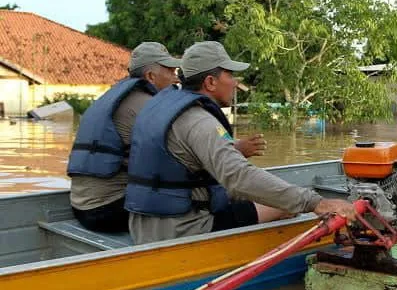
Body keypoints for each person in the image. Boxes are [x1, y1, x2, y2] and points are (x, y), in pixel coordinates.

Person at [124, 41, 355, 244]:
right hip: (181, 229)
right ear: (210, 82)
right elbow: (238, 177)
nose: (235, 83)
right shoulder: (200, 122)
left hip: (145, 224)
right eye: (230, 75)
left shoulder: (163, 108)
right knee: (285, 206)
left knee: (269, 195)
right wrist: (316, 202)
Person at [67, 42, 181, 233]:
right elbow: (184, 151)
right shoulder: (147, 105)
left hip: (82, 208)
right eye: (170, 71)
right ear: (150, 76)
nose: (176, 78)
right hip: (107, 211)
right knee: (201, 200)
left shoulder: (114, 96)